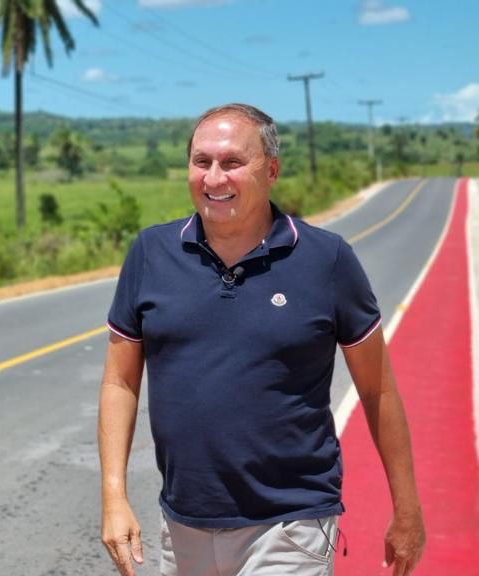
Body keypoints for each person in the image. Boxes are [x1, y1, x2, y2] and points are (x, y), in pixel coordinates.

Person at [97, 103, 425, 576]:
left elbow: (377, 390)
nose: (214, 178)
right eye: (201, 162)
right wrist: (113, 497)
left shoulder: (327, 260)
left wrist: (407, 508)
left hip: (290, 524)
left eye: (232, 162)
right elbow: (119, 384)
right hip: (183, 524)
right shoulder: (150, 253)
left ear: (270, 170)